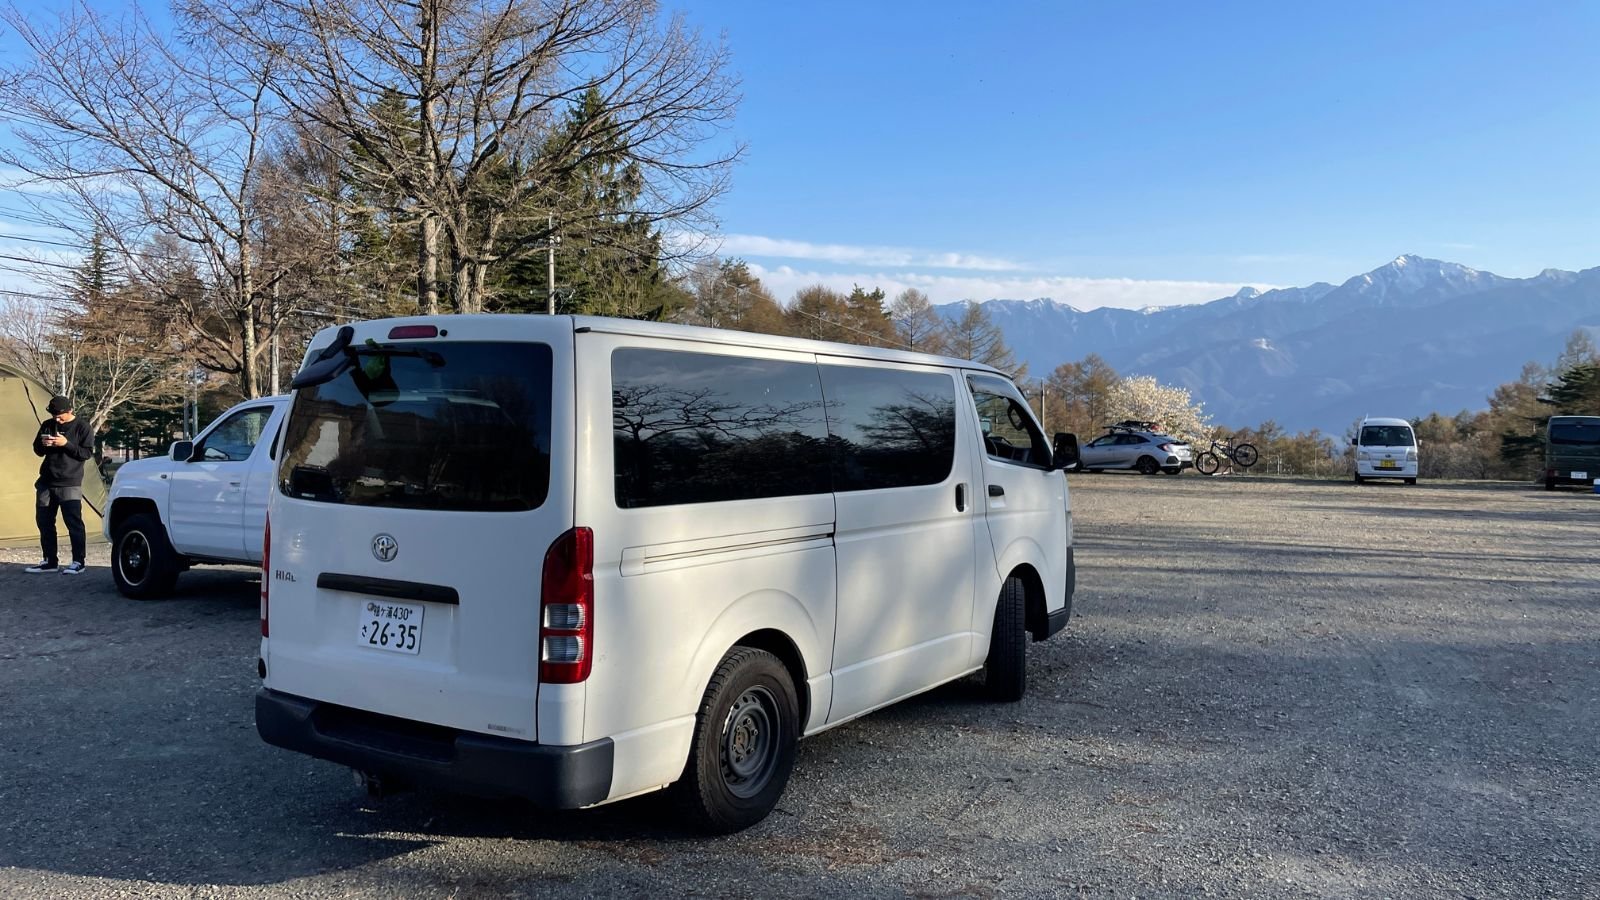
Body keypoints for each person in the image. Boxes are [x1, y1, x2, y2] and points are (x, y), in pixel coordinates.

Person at [27, 396, 94, 575]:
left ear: (70, 410)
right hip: (46, 482)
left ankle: (78, 561)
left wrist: (66, 444)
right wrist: (44, 444)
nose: (57, 418)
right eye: (54, 415)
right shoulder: (48, 424)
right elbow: (37, 450)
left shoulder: (83, 427)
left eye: (60, 415)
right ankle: (50, 561)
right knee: (44, 521)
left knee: (74, 523)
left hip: (69, 482)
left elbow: (86, 454)